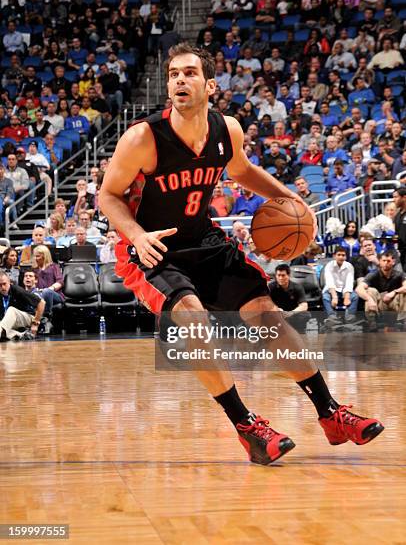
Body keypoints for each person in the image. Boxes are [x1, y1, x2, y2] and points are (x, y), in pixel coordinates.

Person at [99, 43, 383, 466]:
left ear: (210, 84)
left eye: (189, 73)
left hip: (204, 238)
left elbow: (242, 171)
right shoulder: (143, 137)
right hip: (153, 247)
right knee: (193, 318)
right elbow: (108, 196)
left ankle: (331, 413)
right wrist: (137, 235)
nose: (179, 79)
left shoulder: (225, 129)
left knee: (267, 314)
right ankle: (246, 427)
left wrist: (290, 199)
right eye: (174, 73)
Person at [356, 251, 406, 329]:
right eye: (383, 261)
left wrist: (394, 292)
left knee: (404, 292)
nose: (386, 263)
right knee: (370, 291)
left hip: (394, 303)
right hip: (378, 305)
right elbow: (359, 288)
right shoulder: (373, 274)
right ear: (380, 261)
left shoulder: (399, 274)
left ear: (393, 262)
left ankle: (404, 321)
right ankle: (372, 322)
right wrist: (369, 299)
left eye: (388, 261)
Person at [0, 269, 45, 341]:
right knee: (3, 323)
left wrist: (35, 323)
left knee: (11, 310)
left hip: (28, 317)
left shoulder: (17, 290)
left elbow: (41, 303)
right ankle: (21, 335)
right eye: (0, 285)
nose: (2, 287)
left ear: (9, 282)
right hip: (12, 320)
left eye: (4, 284)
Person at [269, 264, 309, 332]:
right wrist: (277, 309)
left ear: (289, 275)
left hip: (292, 313)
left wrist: (291, 313)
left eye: (283, 275)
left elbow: (304, 305)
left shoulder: (297, 287)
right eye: (278, 275)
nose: (281, 278)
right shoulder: (271, 287)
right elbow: (268, 303)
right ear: (275, 276)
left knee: (305, 314)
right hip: (278, 313)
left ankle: (299, 332)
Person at [322, 246, 358, 320]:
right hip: (332, 290)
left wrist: (347, 297)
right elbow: (330, 282)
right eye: (339, 255)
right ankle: (332, 317)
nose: (341, 257)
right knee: (325, 297)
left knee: (354, 297)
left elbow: (349, 283)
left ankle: (350, 318)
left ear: (346, 257)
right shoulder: (329, 266)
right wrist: (334, 297)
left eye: (343, 255)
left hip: (345, 290)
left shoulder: (349, 266)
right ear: (334, 256)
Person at [393, 187, 406, 270]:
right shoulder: (397, 216)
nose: (394, 200)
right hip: (402, 254)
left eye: (396, 197)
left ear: (404, 197)